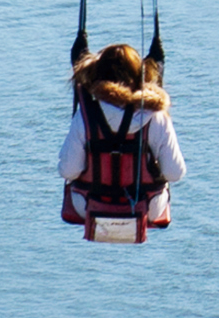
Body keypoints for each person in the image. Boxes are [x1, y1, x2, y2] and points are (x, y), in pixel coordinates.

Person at [60, 39, 186, 238]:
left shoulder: (86, 115)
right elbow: (175, 173)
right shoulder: (155, 116)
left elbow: (68, 170)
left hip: (88, 205)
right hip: (148, 207)